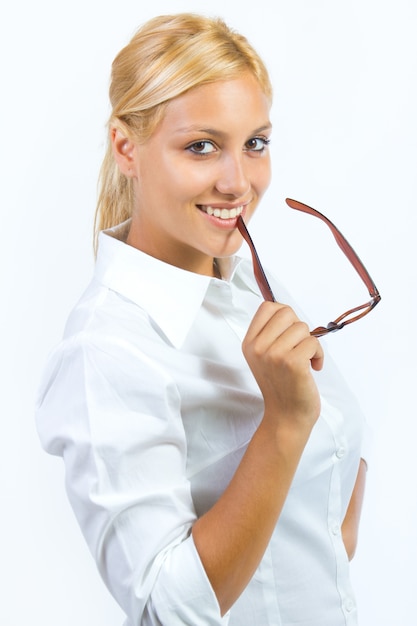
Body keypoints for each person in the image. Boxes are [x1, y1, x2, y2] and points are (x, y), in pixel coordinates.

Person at [35, 12, 368, 626]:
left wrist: (322, 558)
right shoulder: (104, 352)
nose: (238, 182)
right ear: (126, 147)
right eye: (201, 146)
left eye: (255, 143)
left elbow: (342, 452)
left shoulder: (241, 281)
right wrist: (285, 424)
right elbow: (167, 610)